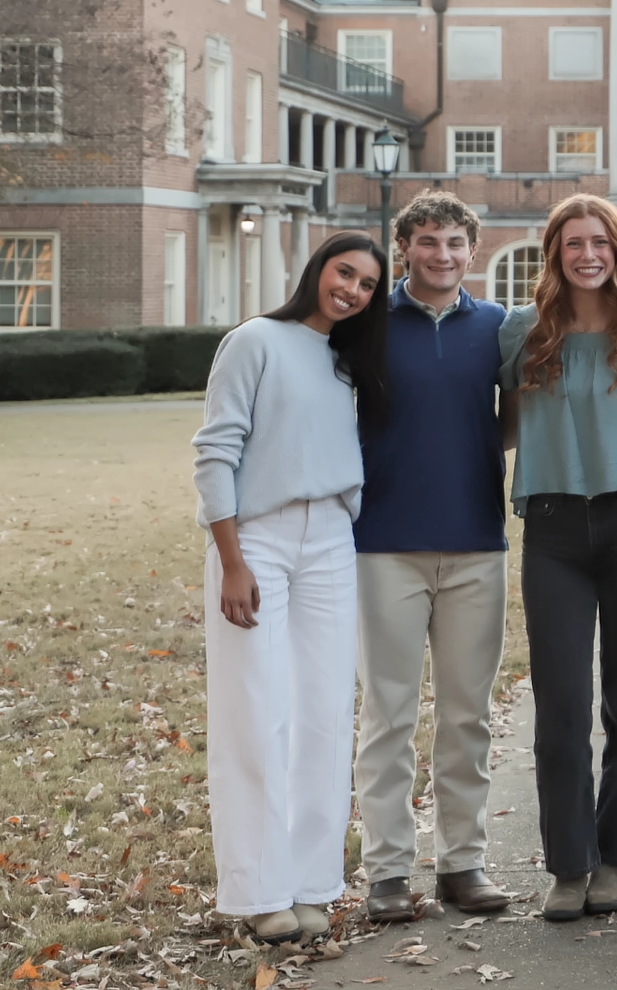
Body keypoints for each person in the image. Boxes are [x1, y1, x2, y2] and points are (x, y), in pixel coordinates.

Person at [192, 231, 389, 944]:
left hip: (331, 538)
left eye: (367, 284)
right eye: (345, 273)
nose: (352, 290)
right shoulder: (255, 341)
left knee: (325, 715)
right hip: (258, 541)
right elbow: (215, 452)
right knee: (254, 710)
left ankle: (313, 883)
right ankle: (259, 890)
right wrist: (232, 560)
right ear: (317, 270)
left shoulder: (344, 363)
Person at [498, 194, 617, 921]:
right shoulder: (521, 331)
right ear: (554, 252)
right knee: (562, 706)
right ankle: (568, 863)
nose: (587, 255)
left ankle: (614, 856)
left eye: (600, 242)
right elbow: (503, 424)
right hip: (553, 530)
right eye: (573, 243)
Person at [352, 192, 512, 923]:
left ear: (472, 251)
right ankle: (387, 870)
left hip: (476, 544)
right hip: (384, 544)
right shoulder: (368, 322)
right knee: (388, 714)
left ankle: (462, 863)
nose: (441, 255)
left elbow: (514, 415)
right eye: (427, 241)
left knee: (466, 715)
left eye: (453, 243)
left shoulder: (498, 327)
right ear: (404, 248)